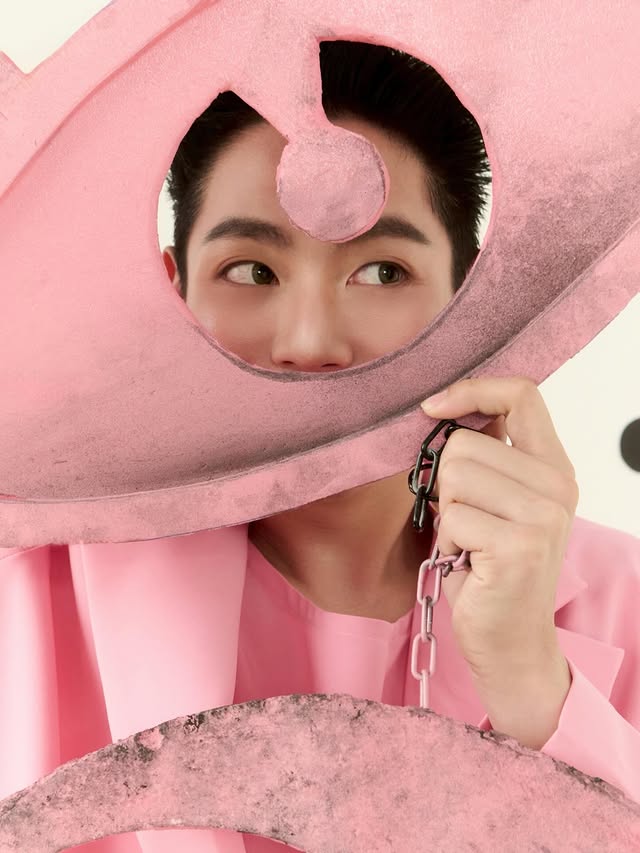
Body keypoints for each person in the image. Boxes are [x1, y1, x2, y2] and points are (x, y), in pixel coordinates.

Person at [1, 40, 639, 853]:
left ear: (474, 302)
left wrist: (533, 685)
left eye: (381, 272)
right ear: (174, 293)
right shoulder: (30, 585)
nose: (310, 342)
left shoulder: (622, 597)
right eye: (250, 271)